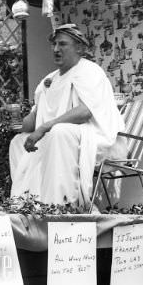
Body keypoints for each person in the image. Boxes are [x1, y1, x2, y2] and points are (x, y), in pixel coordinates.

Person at [9, 23, 124, 208]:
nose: (56, 49)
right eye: (54, 44)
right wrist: (15, 121)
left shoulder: (89, 71)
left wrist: (45, 127)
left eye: (62, 44)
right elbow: (34, 120)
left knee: (59, 132)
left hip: (95, 136)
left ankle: (62, 204)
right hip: (59, 136)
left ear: (79, 47)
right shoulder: (49, 80)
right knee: (17, 142)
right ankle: (26, 202)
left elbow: (86, 111)